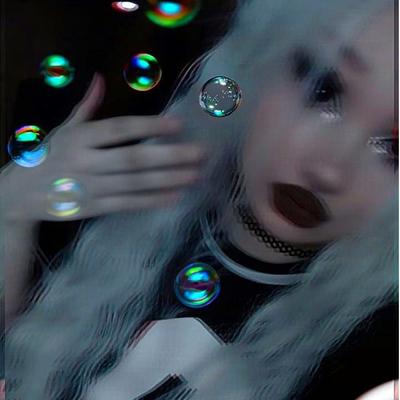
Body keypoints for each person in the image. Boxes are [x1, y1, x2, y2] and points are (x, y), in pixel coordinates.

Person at [1, 0, 397, 399]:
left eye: (394, 149)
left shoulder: (374, 357)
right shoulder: (92, 200)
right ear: (261, 54)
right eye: (324, 89)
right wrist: (10, 216)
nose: (329, 169)